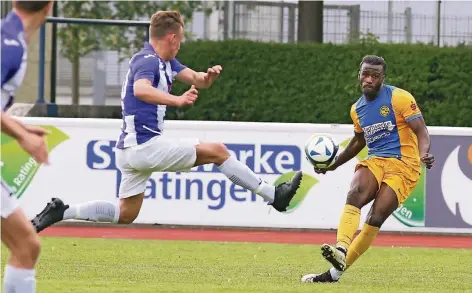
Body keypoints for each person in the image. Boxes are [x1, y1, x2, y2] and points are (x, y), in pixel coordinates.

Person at [31, 10, 302, 232]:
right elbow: (141, 90)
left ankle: (62, 211)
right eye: (180, 40)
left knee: (126, 213)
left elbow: (196, 79)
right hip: (144, 146)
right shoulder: (147, 60)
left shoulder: (167, 62)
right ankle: (274, 196)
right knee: (218, 151)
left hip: (130, 151)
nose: (180, 45)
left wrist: (207, 77)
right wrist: (177, 100)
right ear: (172, 37)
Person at [301, 55, 434, 283]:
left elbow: (421, 131)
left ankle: (335, 274)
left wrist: (424, 153)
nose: (369, 79)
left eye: (375, 75)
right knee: (355, 193)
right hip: (375, 160)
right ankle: (341, 249)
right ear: (359, 75)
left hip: (404, 166)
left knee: (375, 217)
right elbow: (358, 141)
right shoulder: (357, 109)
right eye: (365, 74)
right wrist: (333, 165)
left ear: (383, 78)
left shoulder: (400, 98)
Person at [1, 1, 54, 292]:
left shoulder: (9, 36)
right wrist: (22, 137)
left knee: (26, 245)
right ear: (49, 7)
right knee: (26, 245)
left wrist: (20, 127)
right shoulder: (10, 44)